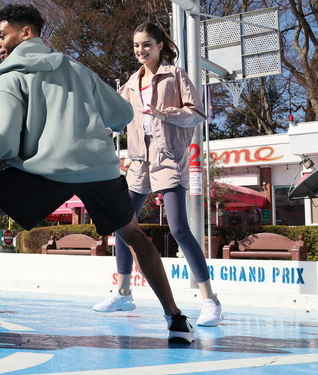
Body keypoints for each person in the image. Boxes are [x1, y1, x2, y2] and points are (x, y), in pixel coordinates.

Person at [0, 4, 199, 344]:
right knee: (133, 234)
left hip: (45, 170)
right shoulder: (78, 69)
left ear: (26, 33)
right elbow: (122, 113)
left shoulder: (12, 77)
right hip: (98, 169)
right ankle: (176, 319)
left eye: (1, 35)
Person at [91, 22, 222, 327]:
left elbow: (198, 114)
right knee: (122, 224)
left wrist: (166, 114)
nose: (141, 50)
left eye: (147, 44)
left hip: (168, 160)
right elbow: (114, 117)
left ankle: (210, 300)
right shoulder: (131, 83)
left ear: (160, 45)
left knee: (179, 230)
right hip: (138, 162)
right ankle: (124, 291)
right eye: (137, 45)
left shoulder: (175, 75)